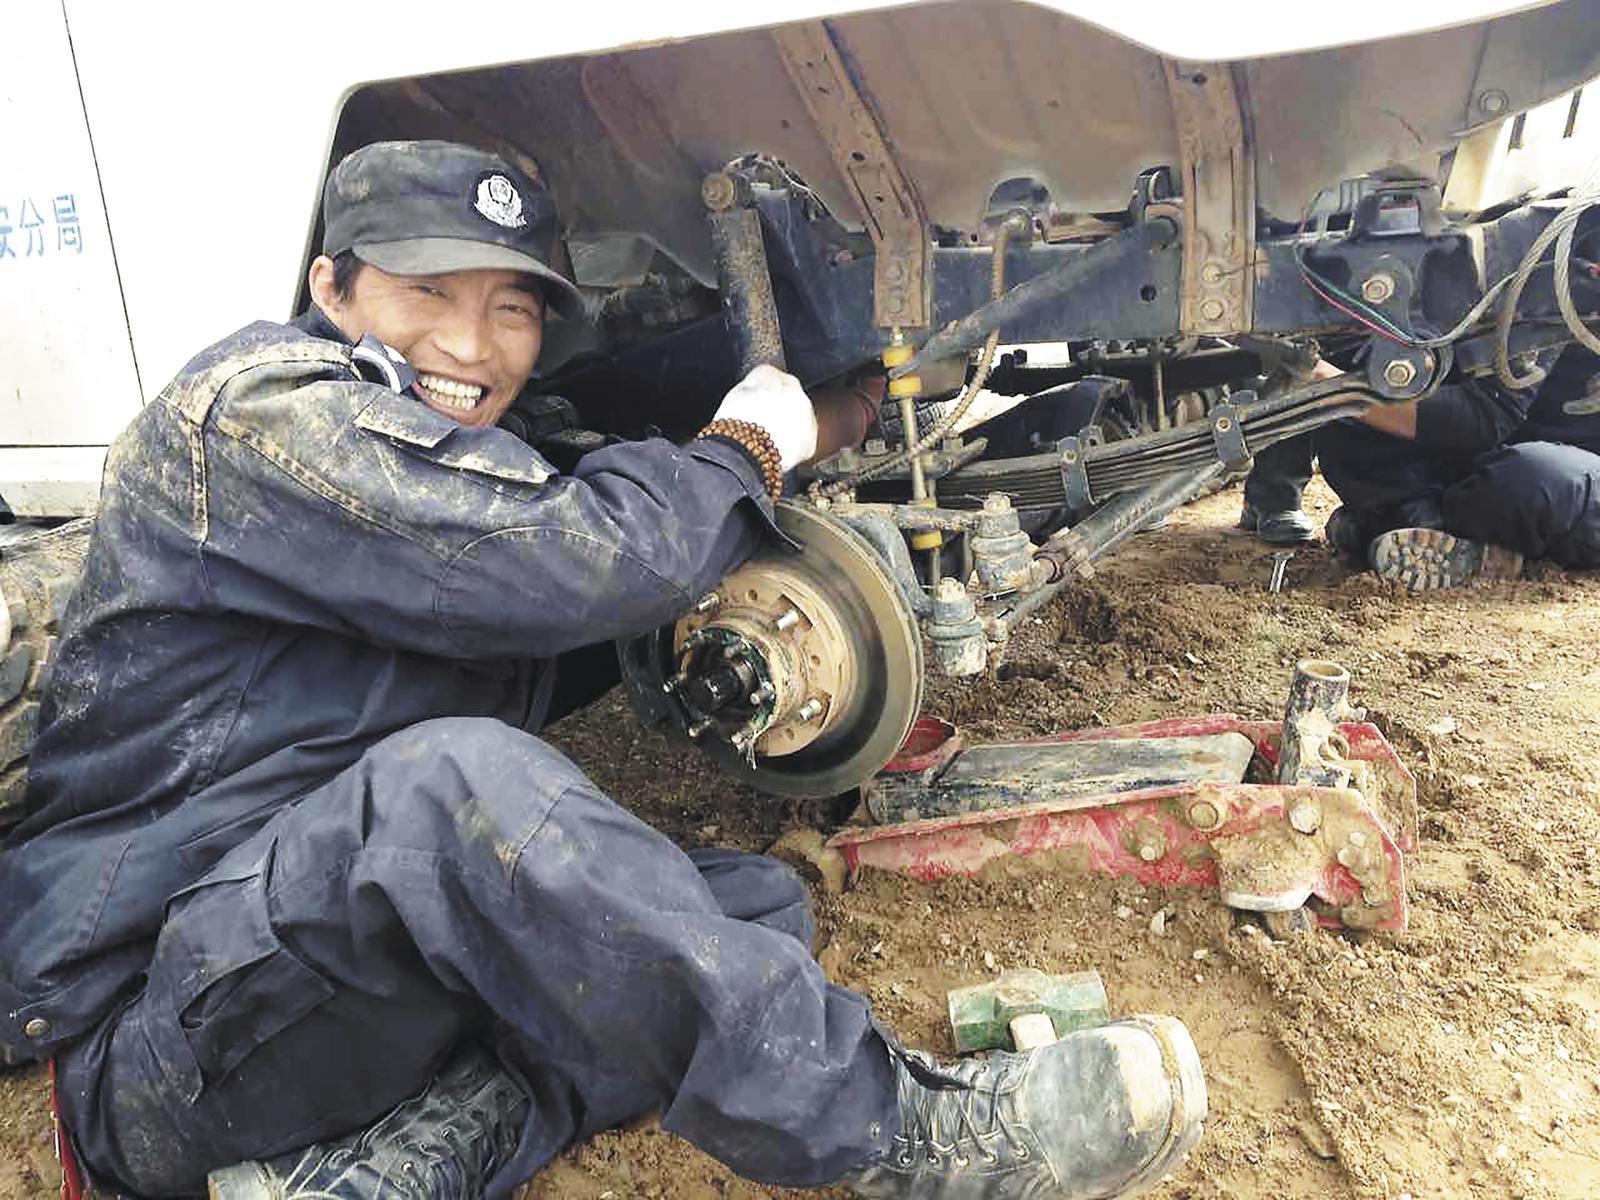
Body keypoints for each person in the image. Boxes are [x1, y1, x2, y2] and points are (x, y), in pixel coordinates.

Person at [0, 141, 1204, 1199]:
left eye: (511, 309)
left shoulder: (437, 455)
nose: (470, 344)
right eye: (427, 292)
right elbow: (565, 566)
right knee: (457, 791)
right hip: (151, 1034)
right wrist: (745, 447)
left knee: (746, 911)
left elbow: (562, 603)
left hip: (311, 970)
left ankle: (404, 1165)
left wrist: (817, 434)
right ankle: (904, 1136)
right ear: (329, 286)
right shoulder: (256, 416)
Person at [1238, 346, 1600, 588]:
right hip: (1477, 457)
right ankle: (1411, 526)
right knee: (1349, 427)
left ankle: (1399, 528)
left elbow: (1487, 417)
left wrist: (1334, 386)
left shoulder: (1562, 281)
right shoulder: (1532, 267)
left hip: (1567, 469)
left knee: (1535, 481)